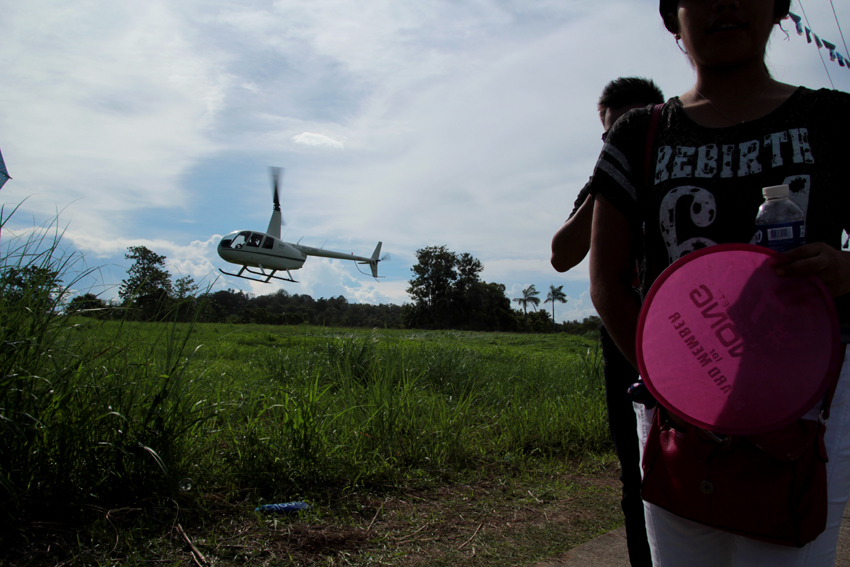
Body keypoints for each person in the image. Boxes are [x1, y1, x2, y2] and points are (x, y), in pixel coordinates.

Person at [588, 0, 850, 565]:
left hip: (805, 410)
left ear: (779, 5)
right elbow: (607, 281)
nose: (724, 5)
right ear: (669, 15)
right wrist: (676, 387)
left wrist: (845, 270)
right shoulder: (639, 132)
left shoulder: (836, 121)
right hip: (676, 413)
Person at [551, 76, 663, 567]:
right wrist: (609, 180)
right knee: (636, 473)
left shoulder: (682, 168)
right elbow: (561, 256)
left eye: (632, 126)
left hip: (689, 336)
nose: (620, 136)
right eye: (611, 132)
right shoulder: (604, 184)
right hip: (624, 340)